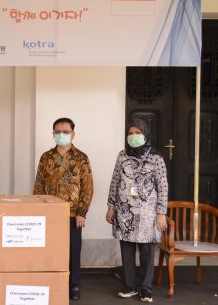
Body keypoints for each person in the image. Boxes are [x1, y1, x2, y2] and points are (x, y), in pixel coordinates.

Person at [106, 119, 168, 303]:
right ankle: (129, 285)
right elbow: (115, 181)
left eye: (138, 133)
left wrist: (161, 213)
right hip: (124, 210)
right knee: (127, 249)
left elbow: (163, 187)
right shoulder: (122, 155)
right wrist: (111, 206)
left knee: (147, 251)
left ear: (146, 135)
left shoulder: (156, 158)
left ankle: (146, 288)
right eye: (130, 133)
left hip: (148, 213)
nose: (133, 136)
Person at [33, 117, 93, 301]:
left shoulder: (81, 158)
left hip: (73, 214)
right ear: (53, 133)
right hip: (49, 214)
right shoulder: (46, 157)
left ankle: (74, 285)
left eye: (65, 132)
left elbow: (87, 187)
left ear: (73, 134)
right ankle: (52, 282)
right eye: (58, 132)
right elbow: (38, 185)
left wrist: (82, 213)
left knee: (73, 250)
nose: (61, 135)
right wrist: (38, 210)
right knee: (50, 249)